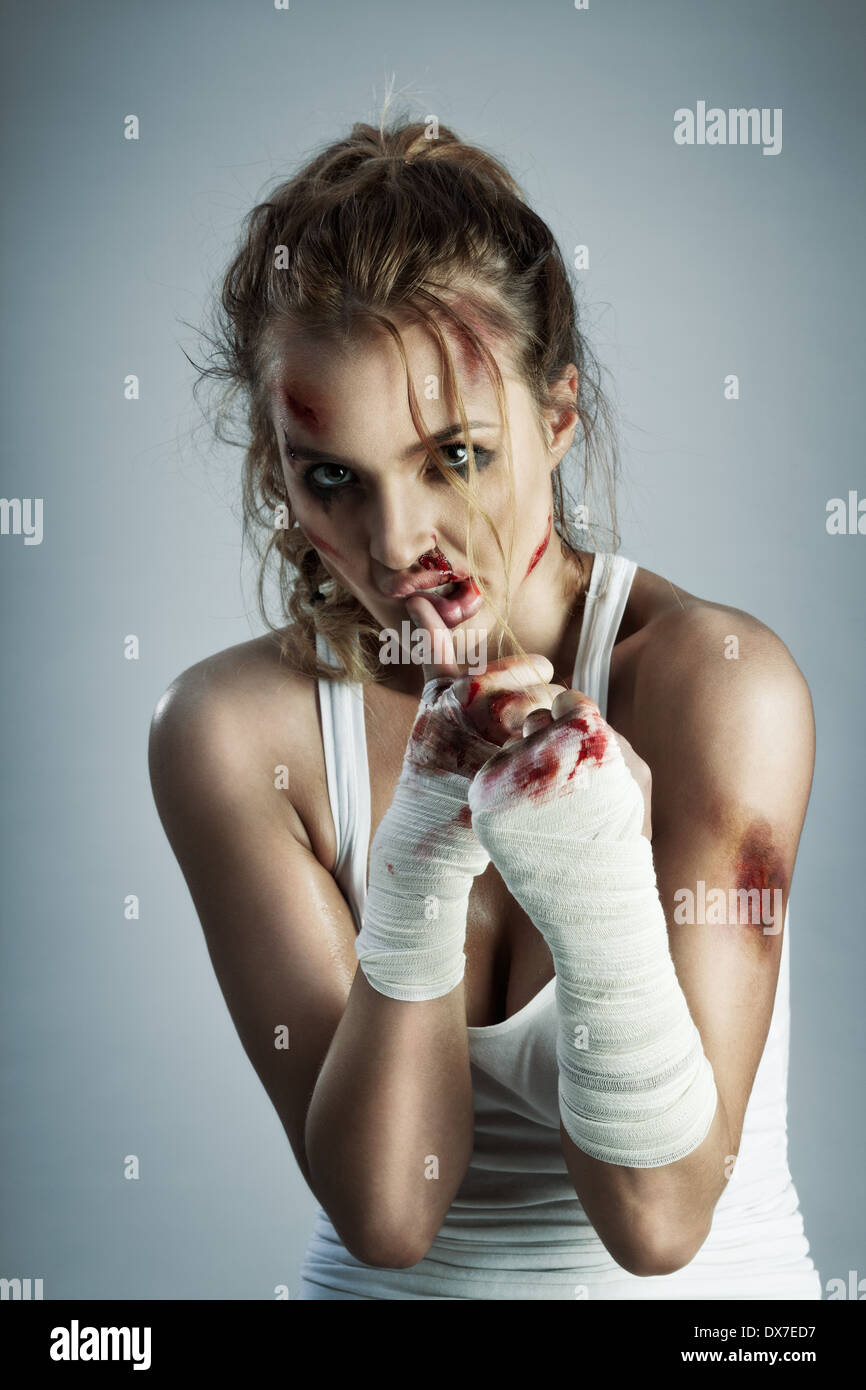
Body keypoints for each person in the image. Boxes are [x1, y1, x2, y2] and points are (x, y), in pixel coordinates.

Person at [148, 115, 822, 1299]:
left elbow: (658, 1220)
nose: (397, 541)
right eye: (332, 478)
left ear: (556, 418)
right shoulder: (228, 733)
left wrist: (591, 868)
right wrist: (415, 857)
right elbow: (387, 1214)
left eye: (452, 456)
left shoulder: (716, 681)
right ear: (277, 471)